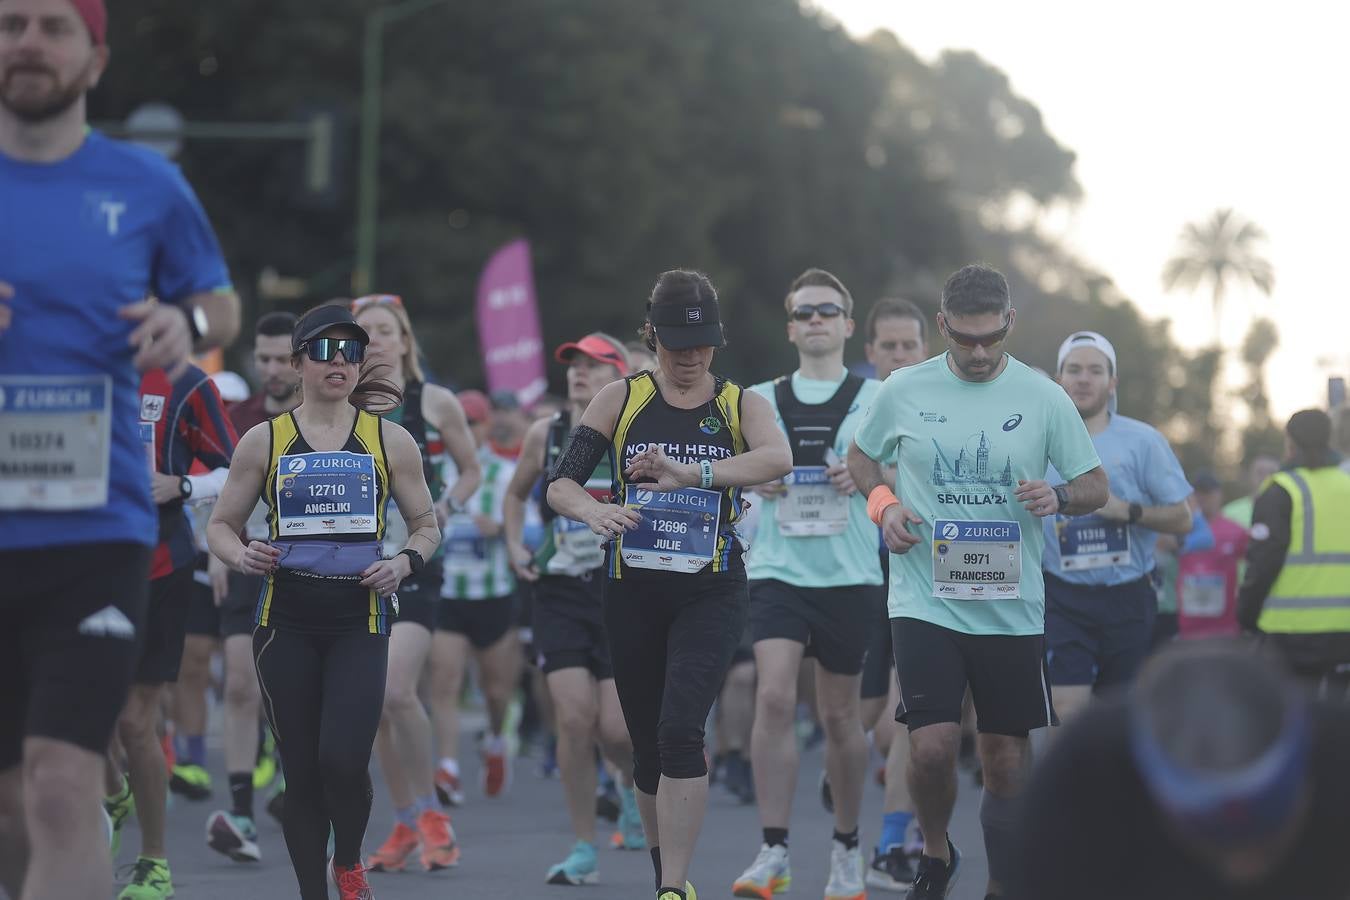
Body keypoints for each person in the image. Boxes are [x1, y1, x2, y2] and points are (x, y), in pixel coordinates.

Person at [0, 0, 240, 895]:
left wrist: (186, 319)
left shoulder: (144, 185)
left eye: (53, 26)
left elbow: (221, 305)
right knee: (11, 804)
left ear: (94, 60)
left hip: (94, 533)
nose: (27, 42)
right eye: (9, 22)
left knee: (64, 783)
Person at [847, 264, 1107, 900]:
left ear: (1010, 323)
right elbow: (860, 455)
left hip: (1010, 607)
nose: (981, 352)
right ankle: (935, 855)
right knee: (931, 748)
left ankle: (1002, 884)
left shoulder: (1044, 396)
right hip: (924, 596)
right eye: (965, 339)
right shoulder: (904, 389)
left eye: (992, 337)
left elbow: (1094, 485)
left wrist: (1059, 494)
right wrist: (884, 504)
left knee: (1005, 761)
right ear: (943, 328)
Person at [547, 269, 792, 900]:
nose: (690, 359)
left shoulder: (740, 405)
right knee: (645, 743)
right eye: (677, 347)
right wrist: (593, 510)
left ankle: (676, 887)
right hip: (632, 590)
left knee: (683, 727)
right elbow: (561, 483)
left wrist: (691, 473)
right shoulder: (620, 398)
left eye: (703, 345)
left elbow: (776, 458)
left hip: (711, 589)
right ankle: (665, 876)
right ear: (651, 336)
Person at [206, 304, 441, 900]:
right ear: (298, 361)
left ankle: (351, 862)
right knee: (302, 774)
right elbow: (221, 526)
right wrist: (240, 557)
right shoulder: (265, 439)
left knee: (342, 760)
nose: (339, 363)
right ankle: (314, 891)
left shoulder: (391, 439)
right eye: (325, 350)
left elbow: (427, 526)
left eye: (351, 351)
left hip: (358, 617)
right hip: (284, 619)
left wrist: (402, 562)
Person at [732, 268, 884, 900]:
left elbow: (908, 477)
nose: (815, 320)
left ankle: (846, 849)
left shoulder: (877, 399)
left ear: (849, 326)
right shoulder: (759, 398)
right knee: (772, 698)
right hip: (779, 569)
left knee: (840, 714)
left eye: (827, 310)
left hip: (850, 574)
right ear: (790, 327)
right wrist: (753, 478)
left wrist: (870, 479)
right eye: (804, 312)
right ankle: (774, 850)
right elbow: (733, 476)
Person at [1007, 642, 1350, 900]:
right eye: (1216, 839)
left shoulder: (1337, 753)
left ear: (1307, 789)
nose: (1243, 868)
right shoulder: (1086, 771)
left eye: (1266, 838)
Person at [504, 331, 644, 885]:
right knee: (574, 718)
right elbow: (516, 494)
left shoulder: (639, 433)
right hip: (559, 590)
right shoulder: (548, 433)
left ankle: (632, 790)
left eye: (593, 366)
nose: (579, 375)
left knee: (615, 730)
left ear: (622, 374)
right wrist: (516, 546)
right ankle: (584, 844)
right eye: (573, 367)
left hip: (619, 588)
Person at [349, 294, 480, 875]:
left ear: (404, 340)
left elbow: (472, 468)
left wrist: (446, 506)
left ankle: (432, 814)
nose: (376, 341)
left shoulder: (435, 402)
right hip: (354, 565)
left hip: (417, 559)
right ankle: (403, 821)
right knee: (375, 705)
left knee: (396, 689)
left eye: (385, 331)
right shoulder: (342, 407)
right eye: (365, 333)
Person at [103, 364, 237, 898]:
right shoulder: (69, 362)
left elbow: (234, 470)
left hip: (159, 564)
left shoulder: (186, 382)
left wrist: (181, 484)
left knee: (136, 722)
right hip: (81, 563)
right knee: (81, 717)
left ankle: (153, 861)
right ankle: (113, 793)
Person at [1041, 331, 1193, 722]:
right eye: (1073, 370)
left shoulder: (1143, 441)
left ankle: (1106, 782)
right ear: (1059, 379)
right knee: (1066, 708)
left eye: (1095, 370)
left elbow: (1182, 517)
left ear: (1112, 383)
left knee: (1118, 714)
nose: (1083, 378)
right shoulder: (1034, 439)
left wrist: (1129, 511)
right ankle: (1072, 784)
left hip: (1128, 595)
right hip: (1061, 594)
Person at [204, 310, 300, 862]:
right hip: (246, 563)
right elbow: (220, 495)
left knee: (292, 692)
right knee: (239, 685)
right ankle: (240, 811)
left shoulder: (328, 421)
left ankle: (300, 793)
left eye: (280, 357)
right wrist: (221, 551)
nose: (270, 369)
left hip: (311, 570)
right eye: (261, 358)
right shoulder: (235, 417)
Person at [856, 297, 929, 891]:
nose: (901, 355)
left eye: (910, 345)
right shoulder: (855, 407)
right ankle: (857, 771)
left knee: (909, 715)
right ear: (871, 352)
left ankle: (890, 840)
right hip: (853, 581)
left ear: (925, 349)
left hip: (919, 581)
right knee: (862, 721)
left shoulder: (939, 403)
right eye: (891, 346)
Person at [428, 388, 523, 801]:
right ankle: (447, 768)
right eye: (459, 423)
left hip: (494, 594)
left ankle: (496, 741)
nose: (465, 430)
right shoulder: (434, 473)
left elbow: (531, 529)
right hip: (447, 593)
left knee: (497, 691)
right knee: (444, 684)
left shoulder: (504, 475)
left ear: (486, 426)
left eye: (473, 422)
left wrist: (501, 529)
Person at [1237, 409, 1350, 698]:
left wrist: (1247, 615)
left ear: (1290, 444)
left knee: (1294, 723)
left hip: (1291, 634)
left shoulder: (1280, 490)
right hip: (1345, 634)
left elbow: (1263, 563)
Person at [1175, 473, 1247, 640]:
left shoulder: (1236, 531)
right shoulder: (1178, 530)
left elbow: (1255, 564)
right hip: (1187, 627)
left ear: (1219, 495)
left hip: (1224, 627)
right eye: (1198, 493)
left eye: (1208, 492)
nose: (1203, 498)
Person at [1222, 454, 1281, 528]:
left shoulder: (1287, 511)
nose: (1265, 477)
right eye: (1260, 472)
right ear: (1250, 476)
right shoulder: (1229, 513)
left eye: (1271, 473)